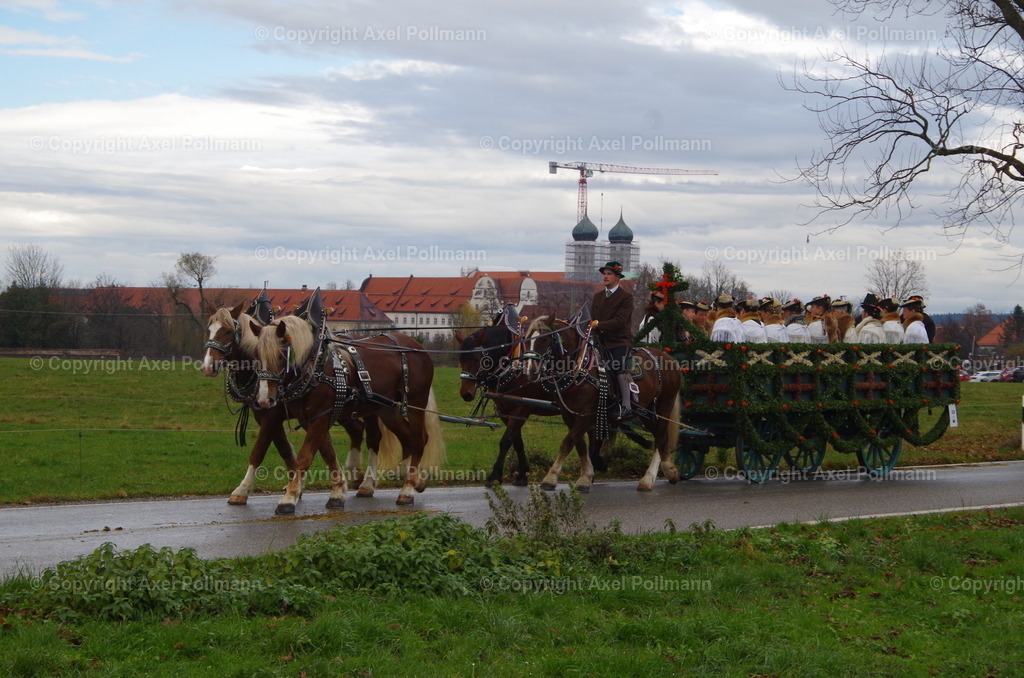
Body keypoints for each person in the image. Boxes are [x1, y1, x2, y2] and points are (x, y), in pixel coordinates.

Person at [590, 261, 635, 419]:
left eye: (609, 274)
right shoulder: (597, 296)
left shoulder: (626, 297)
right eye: (604, 274)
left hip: (619, 341)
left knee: (617, 366)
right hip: (598, 341)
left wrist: (599, 325)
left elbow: (620, 321)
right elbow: (592, 319)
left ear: (617, 277)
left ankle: (626, 406)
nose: (605, 276)